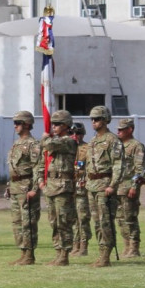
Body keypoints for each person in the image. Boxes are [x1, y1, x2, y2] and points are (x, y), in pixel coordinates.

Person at [84, 105, 125, 267]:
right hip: (92, 185)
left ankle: (105, 255)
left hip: (105, 185)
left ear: (105, 120)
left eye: (97, 119)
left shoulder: (112, 140)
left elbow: (118, 164)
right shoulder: (93, 141)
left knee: (105, 221)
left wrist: (113, 185)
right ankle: (101, 252)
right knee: (96, 222)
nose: (94, 122)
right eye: (92, 119)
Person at [41, 109, 78, 266]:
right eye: (53, 124)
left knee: (64, 221)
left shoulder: (68, 141)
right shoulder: (57, 142)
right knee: (54, 222)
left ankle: (65, 254)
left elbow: (48, 144)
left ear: (65, 125)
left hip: (63, 186)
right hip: (52, 186)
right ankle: (58, 251)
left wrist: (44, 137)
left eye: (57, 124)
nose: (53, 127)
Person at [5, 111, 43, 265]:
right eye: (15, 123)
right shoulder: (16, 144)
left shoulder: (33, 144)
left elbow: (37, 168)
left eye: (18, 123)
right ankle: (22, 252)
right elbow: (14, 167)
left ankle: (29, 255)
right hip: (15, 187)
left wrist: (34, 189)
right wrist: (9, 185)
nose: (15, 126)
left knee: (28, 222)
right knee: (17, 223)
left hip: (26, 187)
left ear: (27, 124)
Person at [116, 117, 145, 258]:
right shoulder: (118, 146)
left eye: (122, 129)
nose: (119, 132)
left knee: (130, 218)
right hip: (118, 187)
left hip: (129, 187)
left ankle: (134, 247)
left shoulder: (136, 146)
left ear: (130, 129)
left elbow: (139, 169)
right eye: (118, 129)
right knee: (120, 219)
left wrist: (134, 186)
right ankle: (126, 245)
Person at [71, 122, 92, 257]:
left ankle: (84, 245)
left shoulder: (87, 148)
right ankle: (75, 244)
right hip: (68, 188)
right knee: (72, 219)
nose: (75, 136)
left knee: (83, 217)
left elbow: (90, 167)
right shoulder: (66, 148)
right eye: (72, 133)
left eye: (77, 133)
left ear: (82, 134)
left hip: (81, 187)